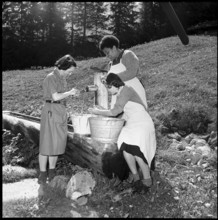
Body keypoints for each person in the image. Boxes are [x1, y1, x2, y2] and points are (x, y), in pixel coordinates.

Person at [88, 73, 156, 192]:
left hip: (142, 123)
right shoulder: (120, 94)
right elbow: (116, 112)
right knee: (124, 147)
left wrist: (97, 112)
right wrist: (101, 111)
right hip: (131, 124)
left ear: (115, 84)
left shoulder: (126, 90)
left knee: (137, 151)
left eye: (109, 87)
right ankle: (135, 178)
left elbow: (115, 112)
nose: (109, 91)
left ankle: (147, 181)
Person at [38, 54, 80, 185]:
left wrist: (71, 94)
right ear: (64, 67)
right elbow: (55, 96)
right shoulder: (51, 77)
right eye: (70, 71)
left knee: (56, 143)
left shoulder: (62, 78)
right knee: (46, 144)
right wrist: (70, 93)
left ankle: (52, 172)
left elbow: (61, 96)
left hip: (60, 112)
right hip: (51, 111)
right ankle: (42, 174)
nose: (70, 73)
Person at [99, 35, 147, 109]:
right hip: (119, 98)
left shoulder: (127, 54)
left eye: (107, 52)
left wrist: (114, 78)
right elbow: (113, 85)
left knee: (136, 118)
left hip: (133, 94)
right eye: (105, 54)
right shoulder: (111, 64)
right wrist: (107, 83)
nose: (107, 56)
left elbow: (132, 72)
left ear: (114, 48)